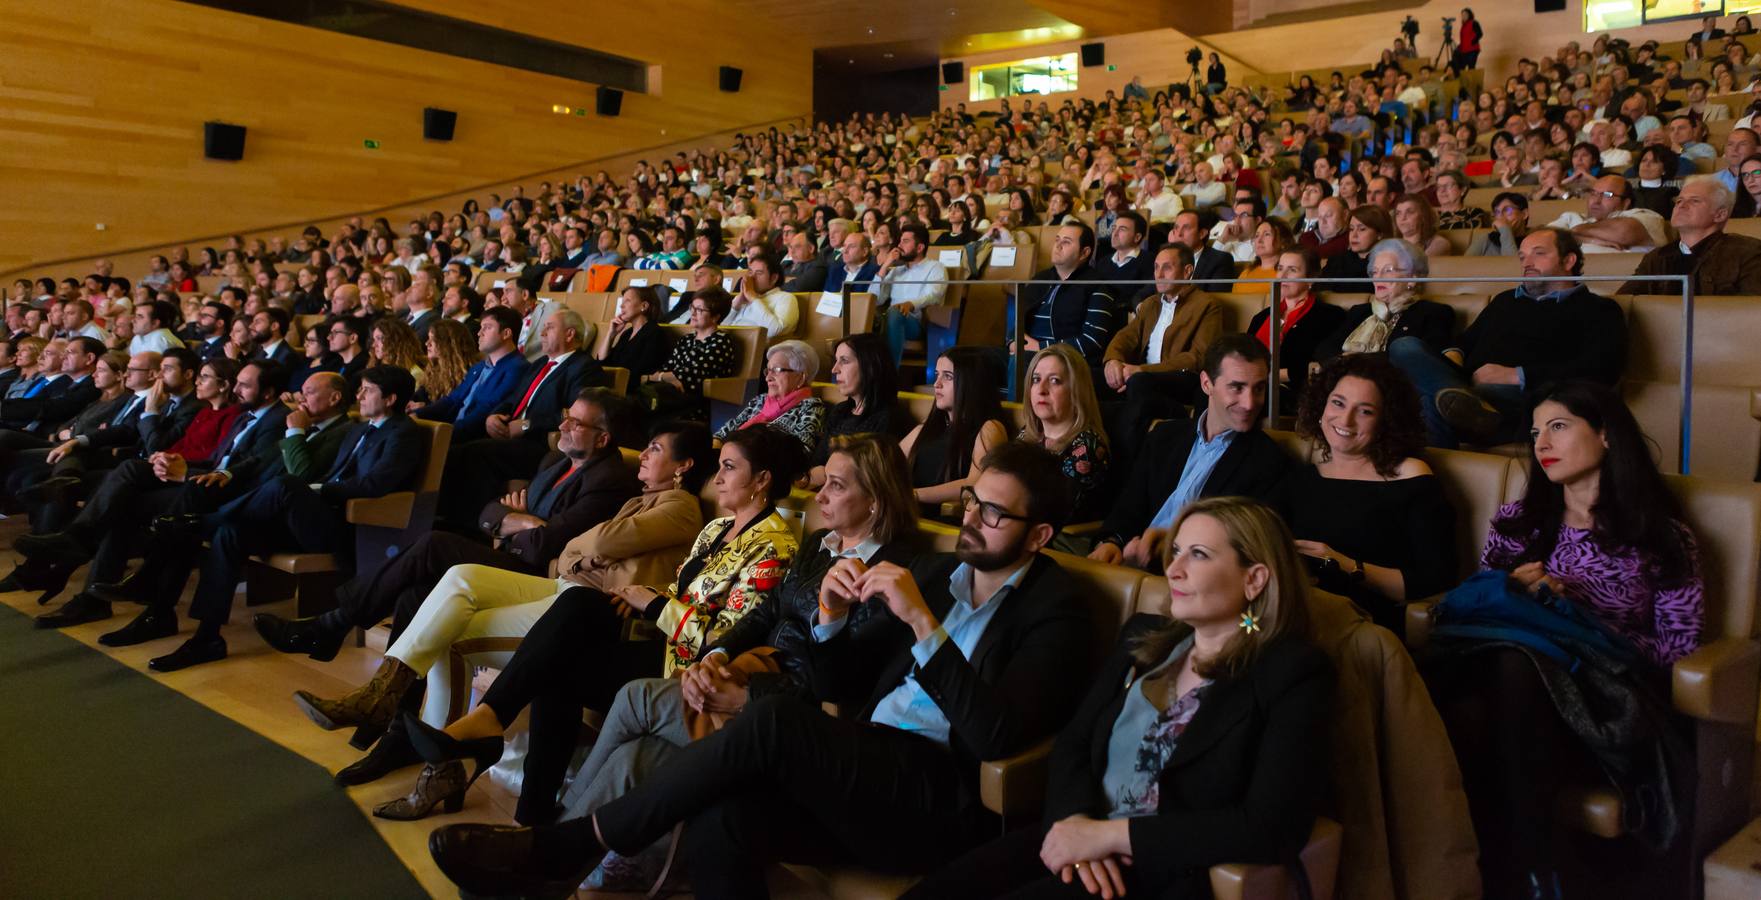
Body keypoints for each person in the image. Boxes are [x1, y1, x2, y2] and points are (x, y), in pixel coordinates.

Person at [425, 442, 1093, 900]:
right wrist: (828, 617)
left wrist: (924, 626)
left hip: (937, 796)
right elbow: (839, 687)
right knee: (728, 815)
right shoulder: (942, 573)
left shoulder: (1056, 608)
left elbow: (995, 738)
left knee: (771, 717)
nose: (971, 519)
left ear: (1037, 536)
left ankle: (565, 848)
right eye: (973, 500)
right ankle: (567, 851)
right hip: (868, 760)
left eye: (994, 513)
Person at [904, 496, 1333, 900]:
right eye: (1177, 550)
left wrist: (1108, 837)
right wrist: (1073, 820)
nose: (1174, 569)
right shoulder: (1145, 637)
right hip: (1078, 832)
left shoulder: (1292, 673)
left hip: (1159, 870)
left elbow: (1269, 827)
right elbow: (1073, 742)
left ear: (1254, 579)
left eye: (1198, 555)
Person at [553, 435, 923, 887]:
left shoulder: (894, 573)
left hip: (797, 719)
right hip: (751, 672)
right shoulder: (822, 544)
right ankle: (566, 857)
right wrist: (717, 656)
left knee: (637, 698)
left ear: (876, 502)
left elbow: (839, 684)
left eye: (837, 487)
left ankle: (554, 851)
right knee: (637, 753)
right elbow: (766, 612)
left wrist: (748, 697)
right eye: (824, 483)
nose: (820, 495)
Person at [396, 425, 805, 826]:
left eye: (730, 467)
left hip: (688, 671)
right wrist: (643, 592)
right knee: (576, 614)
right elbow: (685, 590)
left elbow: (727, 638)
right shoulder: (717, 528)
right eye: (720, 465)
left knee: (564, 655)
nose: (717, 477)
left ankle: (498, 736)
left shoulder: (775, 544)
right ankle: (528, 804)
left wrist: (657, 605)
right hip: (660, 644)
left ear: (763, 479)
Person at [1424, 382, 1703, 897]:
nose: (1540, 444)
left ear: (1606, 435)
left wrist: (1578, 619)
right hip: (1515, 693)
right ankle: (1528, 872)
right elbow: (1488, 617)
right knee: (1493, 674)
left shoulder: (1660, 536)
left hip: (1606, 699)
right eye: (1534, 432)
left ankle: (1516, 870)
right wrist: (1514, 590)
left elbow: (1677, 651)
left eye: (1558, 427)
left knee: (1508, 675)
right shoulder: (1517, 523)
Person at [258, 388, 642, 671]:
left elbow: (544, 545)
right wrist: (519, 522)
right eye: (565, 415)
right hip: (513, 556)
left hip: (542, 577)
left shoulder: (609, 480)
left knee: (434, 543)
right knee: (413, 596)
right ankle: (389, 707)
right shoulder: (554, 461)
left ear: (603, 438)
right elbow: (488, 512)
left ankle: (332, 625)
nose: (562, 425)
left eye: (576, 422)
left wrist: (515, 526)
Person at [130, 366, 424, 672]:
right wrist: (317, 487)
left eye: (368, 390)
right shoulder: (360, 429)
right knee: (231, 533)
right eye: (360, 388)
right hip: (312, 518)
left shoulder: (404, 433)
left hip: (346, 529)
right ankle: (207, 638)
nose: (359, 395)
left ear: (389, 399)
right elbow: (329, 474)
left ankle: (203, 522)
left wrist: (318, 489)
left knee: (287, 485)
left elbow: (375, 485)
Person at [1390, 228, 1627, 447]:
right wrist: (1452, 360)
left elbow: (1602, 369)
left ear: (1568, 260)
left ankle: (1459, 407)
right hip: (1469, 383)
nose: (1527, 263)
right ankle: (1460, 402)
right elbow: (1464, 342)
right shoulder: (1505, 300)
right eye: (1522, 257)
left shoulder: (1599, 309)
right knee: (1404, 346)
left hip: (1527, 397)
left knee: (1431, 403)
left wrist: (1516, 375)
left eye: (1538, 254)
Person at [1285, 354, 1456, 633]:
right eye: (1338, 403)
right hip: (1296, 612)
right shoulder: (1303, 477)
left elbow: (1436, 580)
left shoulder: (1411, 476)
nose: (1346, 419)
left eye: (1365, 411)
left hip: (1365, 621)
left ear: (1385, 422)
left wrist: (1346, 565)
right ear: (1321, 406)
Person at [1089, 335, 1292, 570]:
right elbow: (1129, 506)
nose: (1249, 403)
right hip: (1129, 563)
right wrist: (1111, 541)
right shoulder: (1164, 436)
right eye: (1237, 387)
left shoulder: (1268, 461)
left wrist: (1173, 546)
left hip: (1190, 577)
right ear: (1207, 384)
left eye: (1258, 389)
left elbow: (1243, 546)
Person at [439, 308, 605, 531]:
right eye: (543, 327)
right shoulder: (538, 364)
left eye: (550, 328)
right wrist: (494, 415)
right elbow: (512, 399)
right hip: (510, 436)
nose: (542, 333)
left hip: (541, 444)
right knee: (456, 449)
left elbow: (576, 414)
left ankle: (469, 527)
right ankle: (446, 517)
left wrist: (528, 425)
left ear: (570, 334)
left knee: (475, 453)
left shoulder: (583, 367)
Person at [1101, 244, 1224, 459]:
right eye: (1156, 267)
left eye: (1167, 267)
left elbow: (1198, 357)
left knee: (1139, 382)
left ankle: (1127, 458)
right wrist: (1113, 361)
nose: (1158, 274)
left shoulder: (1207, 305)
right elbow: (1125, 337)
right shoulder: (1150, 304)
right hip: (1141, 377)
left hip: (1181, 380)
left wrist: (1142, 370)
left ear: (1187, 271)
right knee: (1089, 376)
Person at [901, 346, 1009, 516]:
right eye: (937, 375)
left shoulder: (990, 428)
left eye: (948, 376)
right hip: (908, 513)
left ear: (971, 382)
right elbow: (887, 460)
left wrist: (912, 495)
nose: (937, 384)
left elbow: (974, 483)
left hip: (945, 518)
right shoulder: (930, 426)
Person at [1316, 239, 1454, 362]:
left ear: (1412, 278)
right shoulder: (1359, 312)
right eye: (1375, 272)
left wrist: (1358, 360)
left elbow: (1428, 362)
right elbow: (1324, 349)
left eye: (1388, 270)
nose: (1379, 277)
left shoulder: (1433, 313)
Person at [1620, 175, 1761, 295]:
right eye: (1679, 201)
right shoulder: (1656, 257)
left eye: (1694, 201)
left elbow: (1751, 313)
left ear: (1720, 214)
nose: (1681, 205)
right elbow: (1625, 302)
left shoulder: (1749, 253)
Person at [1019, 343, 1110, 524]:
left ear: (1077, 391)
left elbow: (1054, 511)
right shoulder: (1027, 434)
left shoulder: (1088, 445)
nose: (1041, 389)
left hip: (1062, 540)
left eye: (1055, 381)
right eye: (1036, 379)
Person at [414, 308, 531, 443]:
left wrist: (446, 434)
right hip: (452, 428)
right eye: (481, 327)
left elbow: (486, 409)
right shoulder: (479, 367)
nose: (479, 333)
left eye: (487, 328)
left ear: (506, 333)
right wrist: (417, 415)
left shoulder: (517, 368)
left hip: (472, 438)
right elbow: (452, 400)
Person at [1246, 246, 1346, 399]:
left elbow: (1320, 365)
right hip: (1253, 384)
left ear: (1310, 279)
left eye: (1292, 270)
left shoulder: (1329, 315)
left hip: (1294, 390)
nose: (1282, 276)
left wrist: (1271, 377)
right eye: (1280, 268)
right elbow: (1243, 353)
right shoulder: (1261, 317)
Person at [1018, 222, 1117, 370]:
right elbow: (1018, 319)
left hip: (1066, 360)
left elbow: (1092, 341)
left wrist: (1041, 347)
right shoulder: (1041, 278)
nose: (1058, 246)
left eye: (1066, 242)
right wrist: (1013, 340)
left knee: (1020, 361)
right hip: (1028, 351)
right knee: (979, 357)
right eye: (1057, 240)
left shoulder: (1098, 285)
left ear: (1085, 253)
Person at [806, 332, 899, 488]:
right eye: (836, 361)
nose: (834, 370)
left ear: (870, 366)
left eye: (844, 361)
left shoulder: (889, 418)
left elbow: (868, 477)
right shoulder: (840, 411)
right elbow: (816, 463)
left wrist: (825, 473)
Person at [639, 287, 738, 422]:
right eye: (693, 307)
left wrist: (657, 377)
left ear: (715, 317)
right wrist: (666, 377)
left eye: (700, 310)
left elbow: (690, 375)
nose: (693, 313)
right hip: (670, 395)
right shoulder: (687, 339)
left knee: (638, 405)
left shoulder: (721, 341)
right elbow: (667, 368)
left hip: (694, 404)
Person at [713, 340, 827, 454]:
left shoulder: (811, 407)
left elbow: (803, 452)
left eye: (777, 370)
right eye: (768, 371)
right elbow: (725, 431)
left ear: (800, 377)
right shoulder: (760, 400)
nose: (768, 378)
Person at [876, 223, 950, 366]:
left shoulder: (935, 267)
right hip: (890, 318)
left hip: (917, 322)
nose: (899, 245)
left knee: (895, 313)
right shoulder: (896, 271)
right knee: (868, 316)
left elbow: (934, 295)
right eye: (900, 241)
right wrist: (885, 266)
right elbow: (877, 300)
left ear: (920, 247)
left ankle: (890, 374)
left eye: (905, 241)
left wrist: (911, 304)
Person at [1546, 174, 1670, 252]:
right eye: (1593, 193)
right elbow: (1542, 239)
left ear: (1626, 202)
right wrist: (1590, 240)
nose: (1596, 201)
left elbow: (1624, 233)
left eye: (1607, 195)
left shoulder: (1646, 216)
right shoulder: (1571, 217)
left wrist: (1575, 232)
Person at [598, 286, 669, 378]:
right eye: (622, 301)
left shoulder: (654, 333)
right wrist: (611, 335)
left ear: (644, 306)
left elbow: (641, 372)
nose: (621, 306)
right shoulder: (627, 333)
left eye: (627, 301)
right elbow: (602, 361)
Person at [1320, 204, 1393, 293]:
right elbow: (1319, 291)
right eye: (1351, 229)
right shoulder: (1337, 261)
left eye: (1362, 229)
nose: (1354, 235)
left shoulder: (1388, 265)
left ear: (1379, 234)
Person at [723, 253, 798, 338]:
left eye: (759, 273)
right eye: (750, 272)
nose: (752, 277)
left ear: (774, 278)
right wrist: (736, 305)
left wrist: (753, 298)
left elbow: (775, 331)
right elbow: (720, 327)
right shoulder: (742, 298)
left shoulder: (785, 298)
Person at [1233, 218, 1294, 296]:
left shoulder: (1287, 275)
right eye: (1257, 235)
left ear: (1283, 241)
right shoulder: (1246, 273)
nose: (1259, 240)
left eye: (1267, 234)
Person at [1467, 192, 1530, 256]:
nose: (1501, 217)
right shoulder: (1486, 239)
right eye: (1497, 212)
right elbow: (1463, 264)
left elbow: (1511, 264)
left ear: (1524, 214)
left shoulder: (1533, 242)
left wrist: (1505, 230)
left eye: (1507, 210)